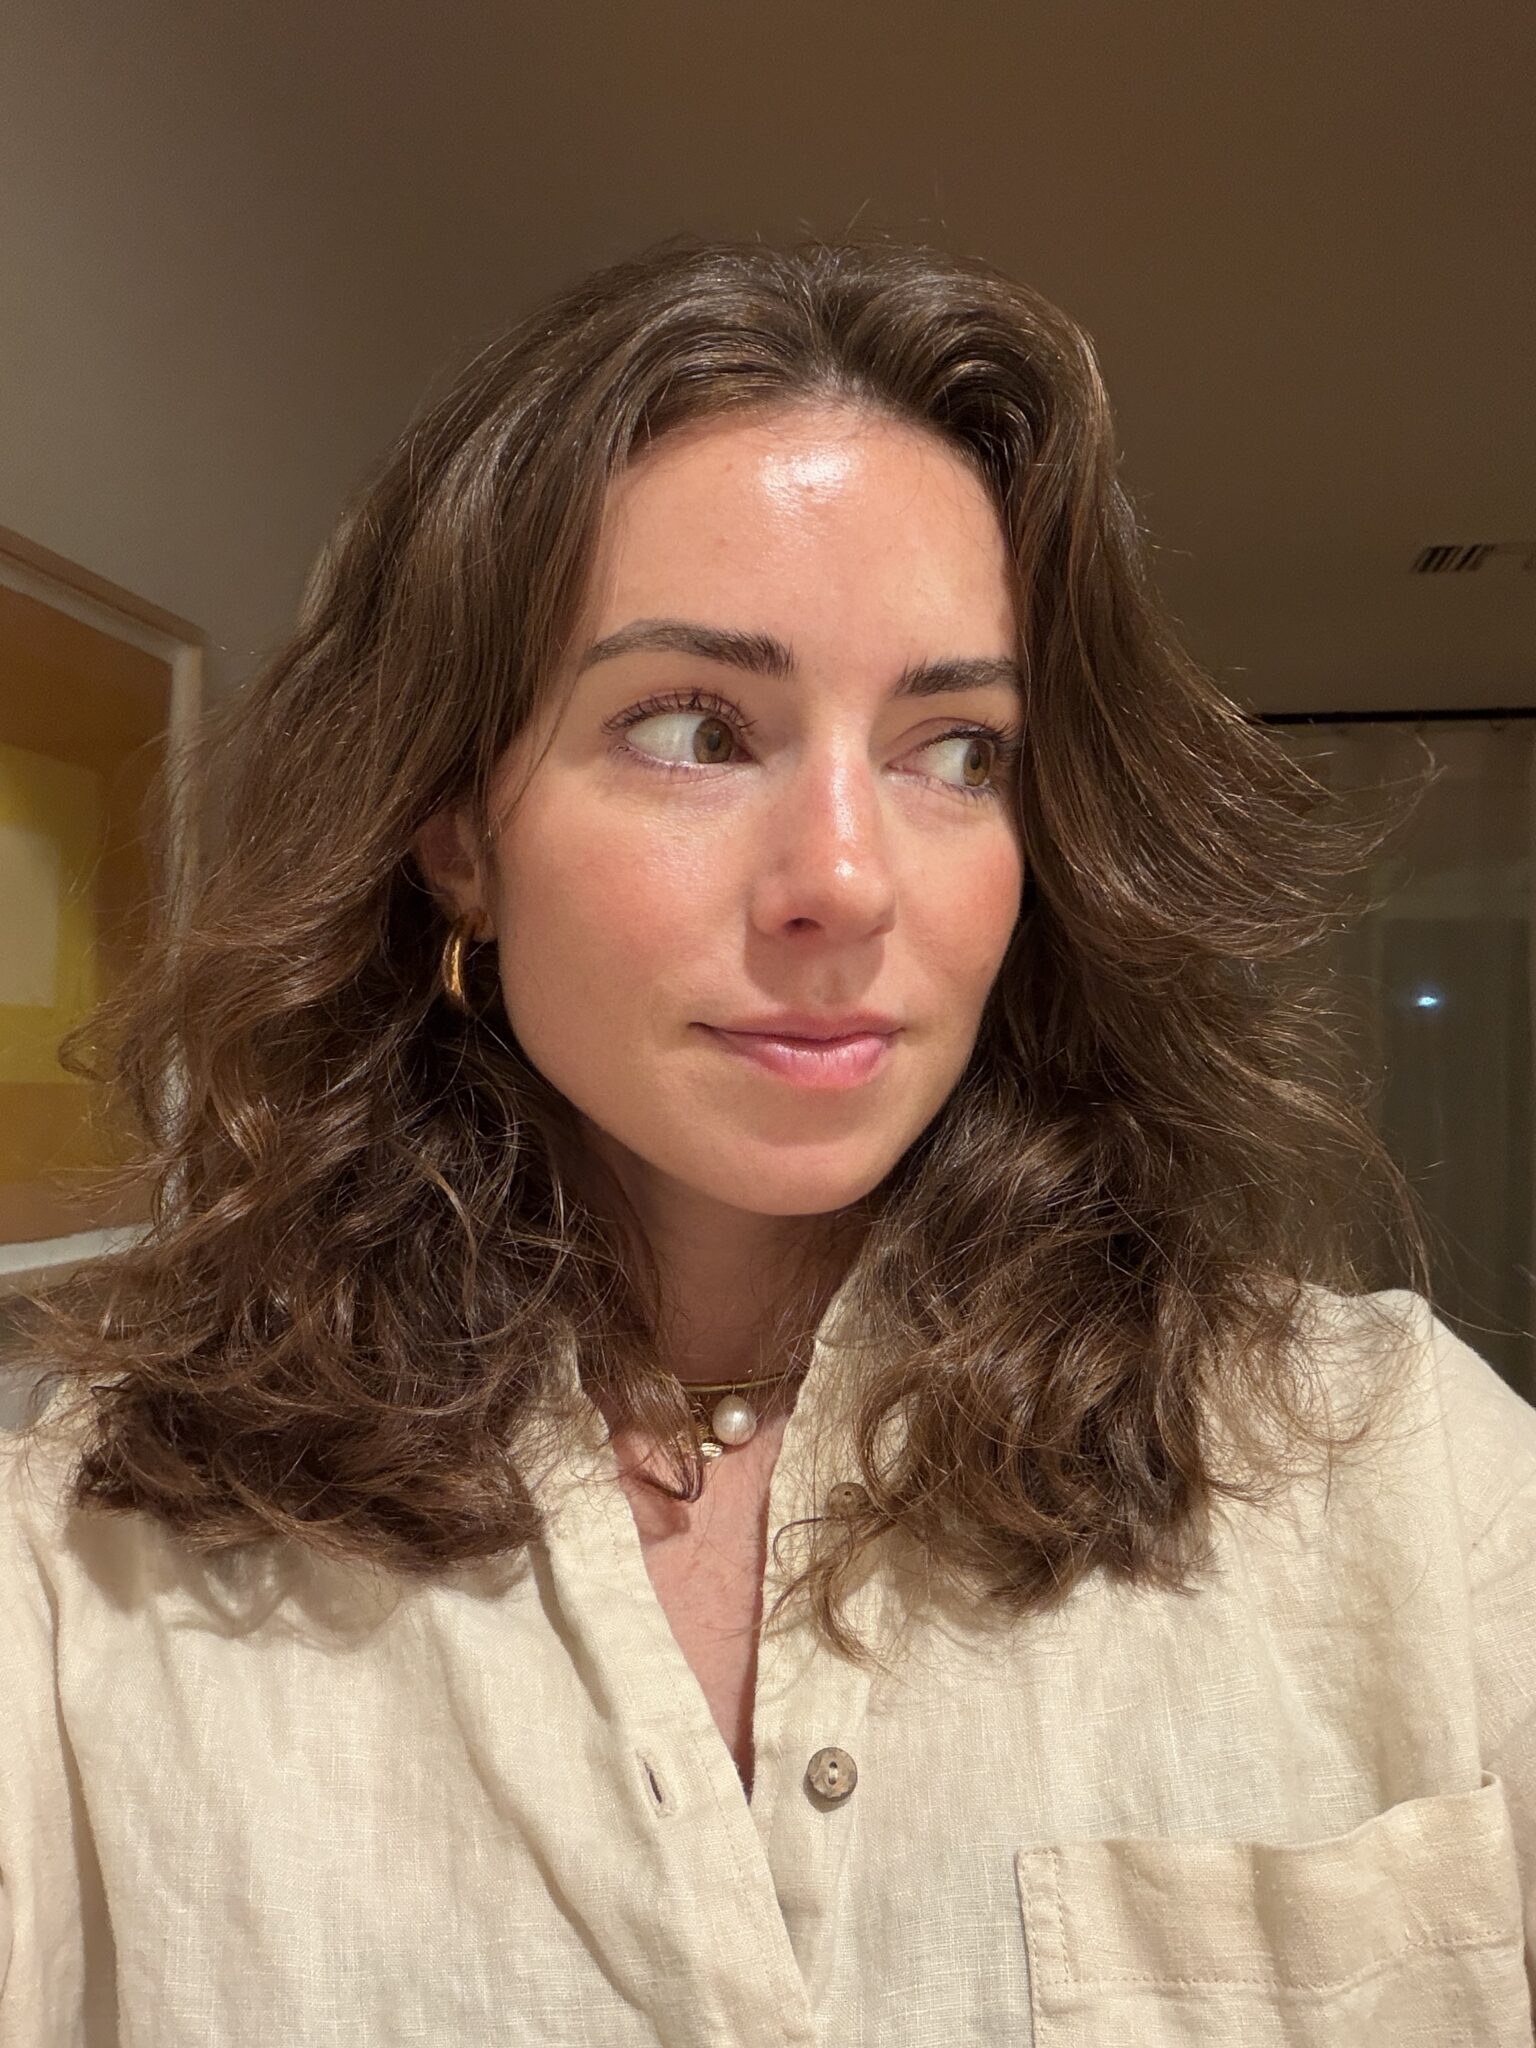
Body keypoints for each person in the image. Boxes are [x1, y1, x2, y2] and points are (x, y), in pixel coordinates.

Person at [2, 233, 1534, 2047]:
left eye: (957, 750)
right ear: (454, 829)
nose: (849, 880)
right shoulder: (92, 1558)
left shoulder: (1398, 1477)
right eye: (690, 728)